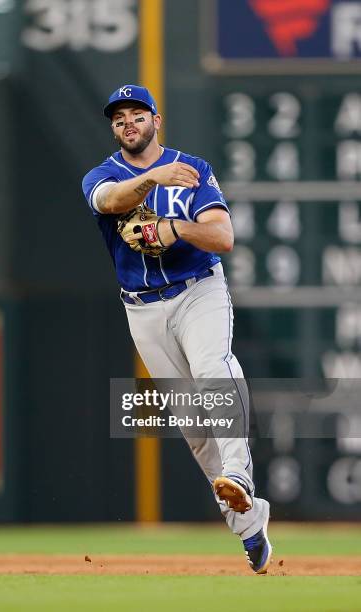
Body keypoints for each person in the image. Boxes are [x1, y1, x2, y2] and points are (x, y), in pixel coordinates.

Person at [82, 84, 272, 574]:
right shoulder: (104, 175)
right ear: (113, 127)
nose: (129, 122)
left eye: (138, 114)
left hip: (198, 291)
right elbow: (109, 201)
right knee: (193, 426)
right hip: (142, 308)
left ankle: (239, 476)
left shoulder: (194, 169)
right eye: (120, 116)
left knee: (214, 367)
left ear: (156, 120)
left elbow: (223, 237)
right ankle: (249, 527)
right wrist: (153, 180)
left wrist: (175, 227)